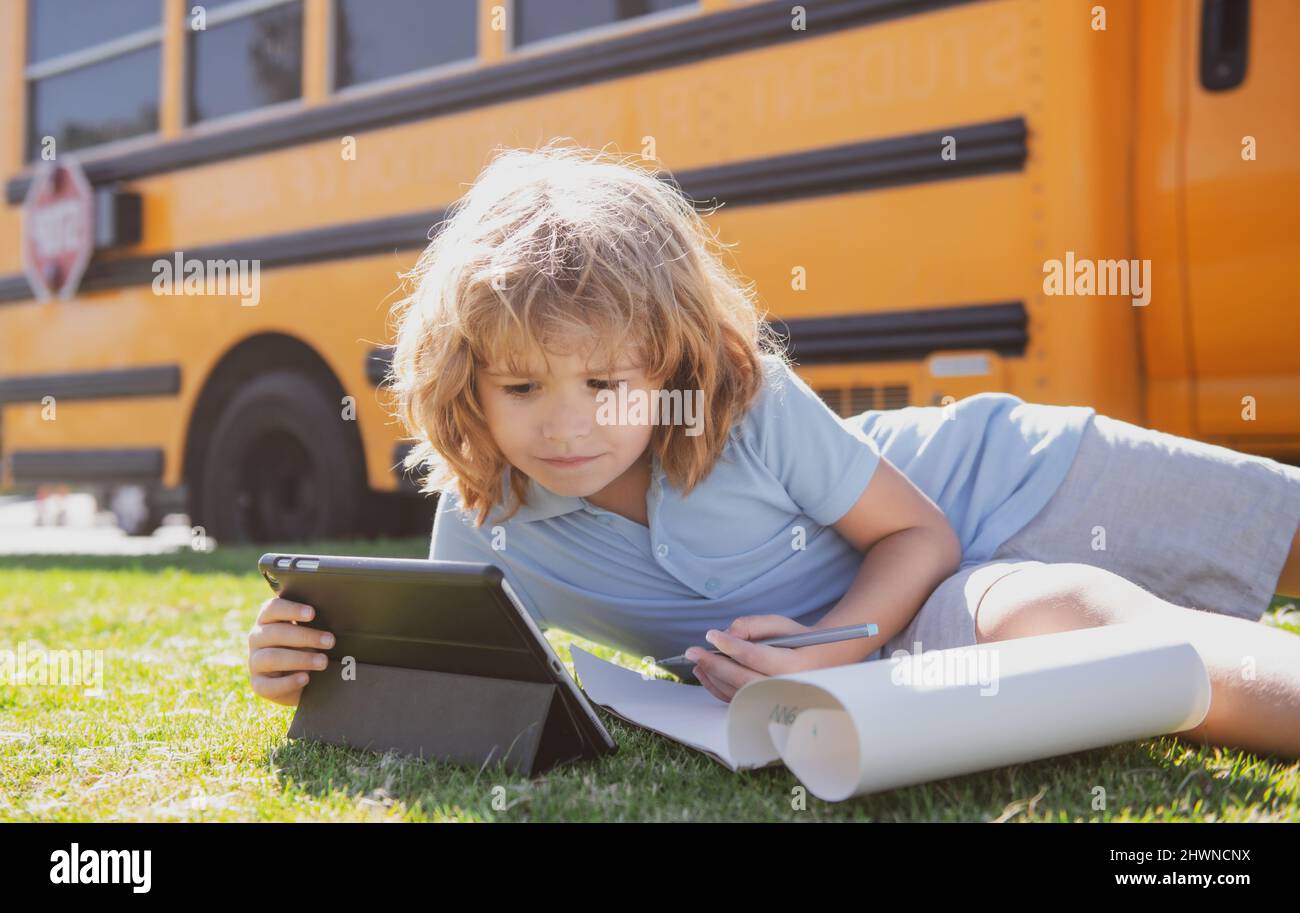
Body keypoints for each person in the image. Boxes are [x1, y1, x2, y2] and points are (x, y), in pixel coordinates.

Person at [248, 142, 1300, 758]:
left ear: (668, 360)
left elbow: (916, 530)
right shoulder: (485, 519)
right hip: (924, 610)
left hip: (991, 482)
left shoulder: (744, 406)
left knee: (1284, 533)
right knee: (1103, 631)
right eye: (521, 387)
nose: (564, 426)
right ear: (463, 379)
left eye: (605, 384)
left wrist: (825, 644)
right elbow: (438, 682)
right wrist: (301, 664)